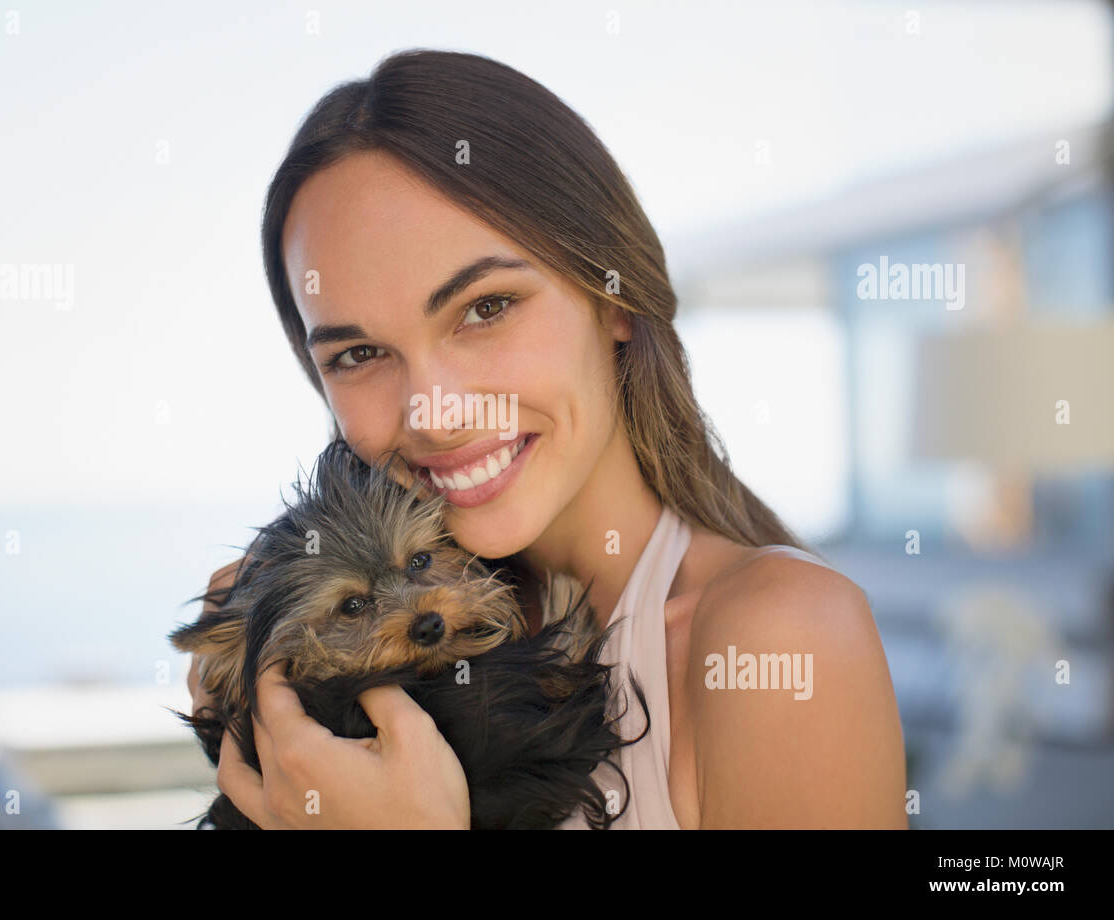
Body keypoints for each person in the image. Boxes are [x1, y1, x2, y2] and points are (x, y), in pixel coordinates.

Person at [186, 48, 908, 829]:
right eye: (358, 355)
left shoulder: (776, 644)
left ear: (616, 299)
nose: (435, 411)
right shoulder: (319, 654)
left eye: (486, 308)